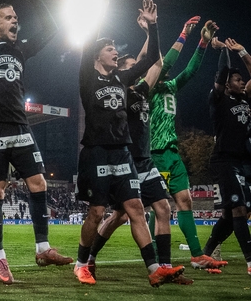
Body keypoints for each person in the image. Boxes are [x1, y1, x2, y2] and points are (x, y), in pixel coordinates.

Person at [83, 19, 213, 284]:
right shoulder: (120, 94)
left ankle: (164, 267)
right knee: (119, 215)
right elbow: (153, 61)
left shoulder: (142, 92)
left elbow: (156, 61)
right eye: (131, 68)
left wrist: (152, 30)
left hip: (146, 160)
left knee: (163, 208)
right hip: (126, 160)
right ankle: (90, 257)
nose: (137, 71)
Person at [0, 0, 71, 284]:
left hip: (19, 126)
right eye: (8, 16)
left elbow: (52, 30)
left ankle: (43, 248)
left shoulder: (20, 50)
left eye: (16, 15)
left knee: (39, 183)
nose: (14, 19)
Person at [73, 0, 183, 287]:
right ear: (98, 56)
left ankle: (154, 269)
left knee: (135, 207)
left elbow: (150, 61)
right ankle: (81, 263)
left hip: (122, 153)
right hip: (96, 153)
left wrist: (153, 27)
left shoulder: (122, 79)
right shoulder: (87, 77)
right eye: (110, 49)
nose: (115, 53)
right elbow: (87, 44)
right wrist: (97, 9)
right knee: (96, 212)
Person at [147, 17, 227, 270]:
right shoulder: (145, 89)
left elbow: (191, 71)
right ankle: (150, 251)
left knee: (184, 201)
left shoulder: (170, 86)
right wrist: (183, 34)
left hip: (172, 152)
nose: (165, 67)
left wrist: (202, 43)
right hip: (154, 154)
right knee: (157, 208)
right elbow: (168, 61)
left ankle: (197, 255)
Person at [200, 38, 251, 272]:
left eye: (242, 80)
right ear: (228, 84)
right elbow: (220, 75)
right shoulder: (219, 99)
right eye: (238, 80)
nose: (242, 83)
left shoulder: (246, 98)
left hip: (243, 162)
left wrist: (242, 51)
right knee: (238, 208)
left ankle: (205, 255)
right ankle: (250, 261)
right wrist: (223, 52)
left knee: (232, 216)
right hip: (224, 159)